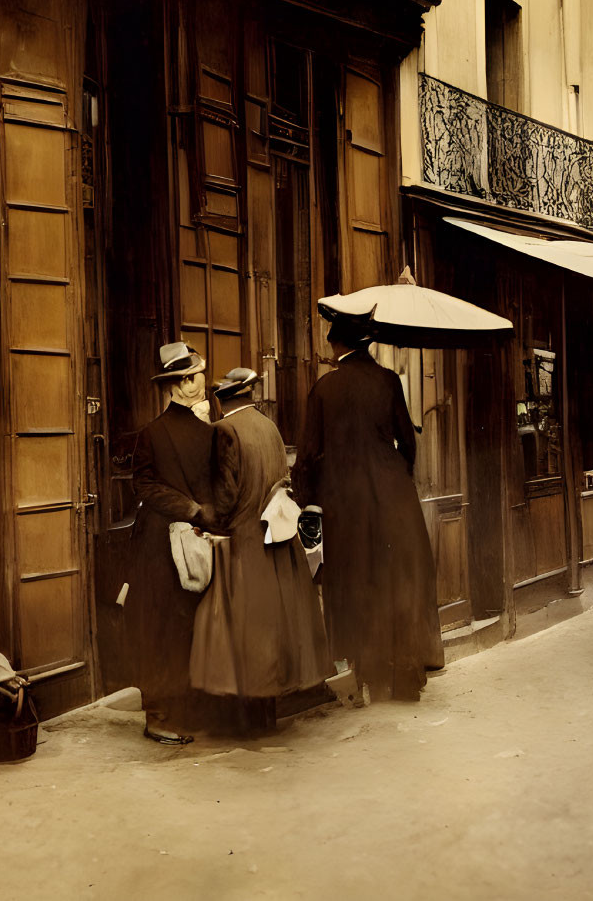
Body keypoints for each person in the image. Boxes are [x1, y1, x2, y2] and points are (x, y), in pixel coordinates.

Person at [292, 313, 443, 702]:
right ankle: (406, 680)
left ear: (337, 346)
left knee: (359, 587)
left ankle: (366, 679)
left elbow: (307, 456)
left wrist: (308, 503)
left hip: (345, 503)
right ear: (366, 345)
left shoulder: (324, 389)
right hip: (393, 498)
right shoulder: (389, 381)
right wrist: (396, 478)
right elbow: (408, 443)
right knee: (396, 583)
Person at [187, 369, 331, 734]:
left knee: (244, 634)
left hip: (245, 543)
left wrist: (202, 521)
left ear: (222, 399)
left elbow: (225, 497)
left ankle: (247, 721)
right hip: (277, 541)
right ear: (248, 395)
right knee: (273, 629)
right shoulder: (269, 427)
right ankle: (266, 715)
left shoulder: (224, 432)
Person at [124, 342, 215, 744]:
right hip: (173, 543)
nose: (203, 383)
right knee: (178, 627)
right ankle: (163, 716)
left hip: (166, 542)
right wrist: (195, 511)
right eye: (198, 376)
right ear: (185, 383)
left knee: (162, 629)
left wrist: (191, 510)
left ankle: (165, 714)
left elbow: (144, 487)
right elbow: (147, 485)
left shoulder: (155, 434)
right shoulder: (209, 435)